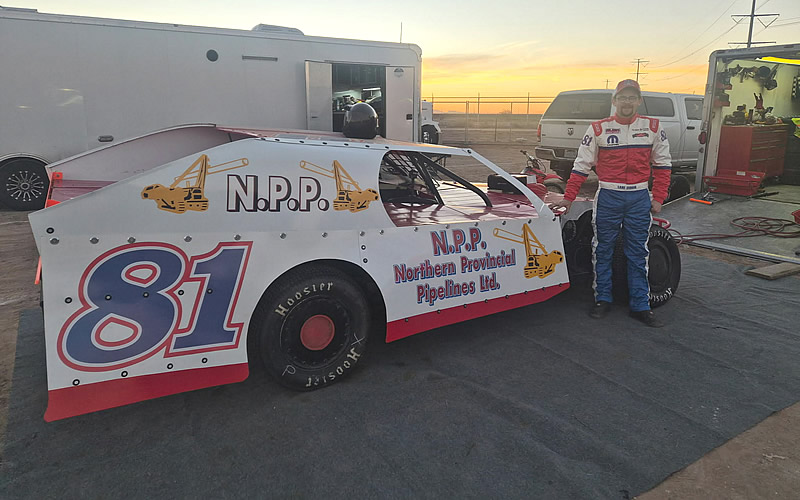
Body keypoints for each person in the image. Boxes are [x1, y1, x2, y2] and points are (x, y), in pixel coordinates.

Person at [549, 79, 671, 328]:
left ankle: (640, 305)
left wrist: (658, 197)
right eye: (622, 97)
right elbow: (580, 167)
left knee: (638, 252)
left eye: (632, 97)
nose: (627, 102)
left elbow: (663, 165)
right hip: (608, 196)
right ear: (614, 101)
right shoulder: (597, 128)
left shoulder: (653, 127)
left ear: (638, 100)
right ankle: (602, 298)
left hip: (638, 197)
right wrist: (569, 197)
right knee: (602, 249)